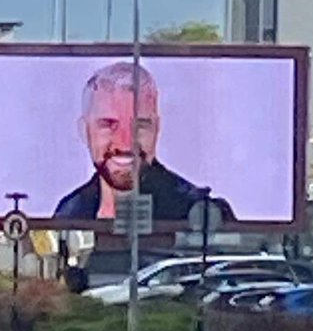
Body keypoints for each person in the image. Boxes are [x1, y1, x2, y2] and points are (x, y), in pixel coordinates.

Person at [53, 61, 236, 223]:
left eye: (140, 126)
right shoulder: (68, 214)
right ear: (84, 131)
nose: (125, 143)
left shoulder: (199, 215)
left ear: (156, 129)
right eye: (108, 125)